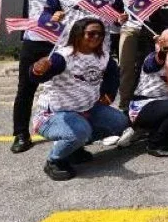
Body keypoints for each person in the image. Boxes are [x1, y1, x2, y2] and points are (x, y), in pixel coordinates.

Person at [9, 0, 87, 154]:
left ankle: (70, 134)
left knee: (69, 89)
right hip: (38, 39)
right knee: (27, 88)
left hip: (67, 42)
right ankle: (21, 133)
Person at [29, 18, 128, 180]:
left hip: (87, 109)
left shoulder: (103, 57)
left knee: (119, 122)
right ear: (78, 34)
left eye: (100, 34)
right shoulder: (62, 56)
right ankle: (54, 161)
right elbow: (37, 77)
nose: (96, 37)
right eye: (91, 33)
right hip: (54, 114)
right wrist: (37, 70)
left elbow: (113, 75)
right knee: (79, 132)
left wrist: (108, 94)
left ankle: (74, 148)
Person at [121, 28, 168, 157]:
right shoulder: (152, 57)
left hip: (166, 103)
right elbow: (154, 64)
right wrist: (163, 51)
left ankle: (163, 132)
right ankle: (154, 144)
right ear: (165, 41)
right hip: (144, 105)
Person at [116, 0, 159, 111]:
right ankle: (124, 104)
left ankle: (147, 101)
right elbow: (113, 0)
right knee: (126, 67)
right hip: (130, 27)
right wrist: (118, 15)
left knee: (150, 66)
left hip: (152, 27)